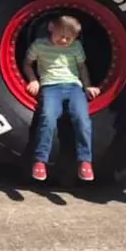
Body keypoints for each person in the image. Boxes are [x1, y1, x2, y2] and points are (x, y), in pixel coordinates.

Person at [23, 14, 101, 182]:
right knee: (47, 118)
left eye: (69, 38)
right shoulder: (39, 45)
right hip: (51, 87)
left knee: (82, 119)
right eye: (62, 36)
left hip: (74, 87)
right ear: (51, 27)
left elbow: (82, 67)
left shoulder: (76, 47)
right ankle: (40, 161)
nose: (65, 41)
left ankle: (85, 161)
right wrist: (33, 79)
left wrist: (87, 86)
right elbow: (27, 63)